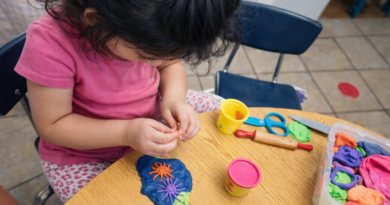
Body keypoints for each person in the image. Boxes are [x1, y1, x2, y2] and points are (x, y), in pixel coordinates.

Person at [14, 0, 241, 202]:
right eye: (146, 55)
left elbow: (170, 64)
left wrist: (174, 99)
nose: (156, 63)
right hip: (82, 155)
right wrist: (127, 133)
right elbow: (52, 125)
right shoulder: (50, 44)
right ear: (96, 20)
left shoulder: (155, 22)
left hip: (152, 113)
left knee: (220, 113)